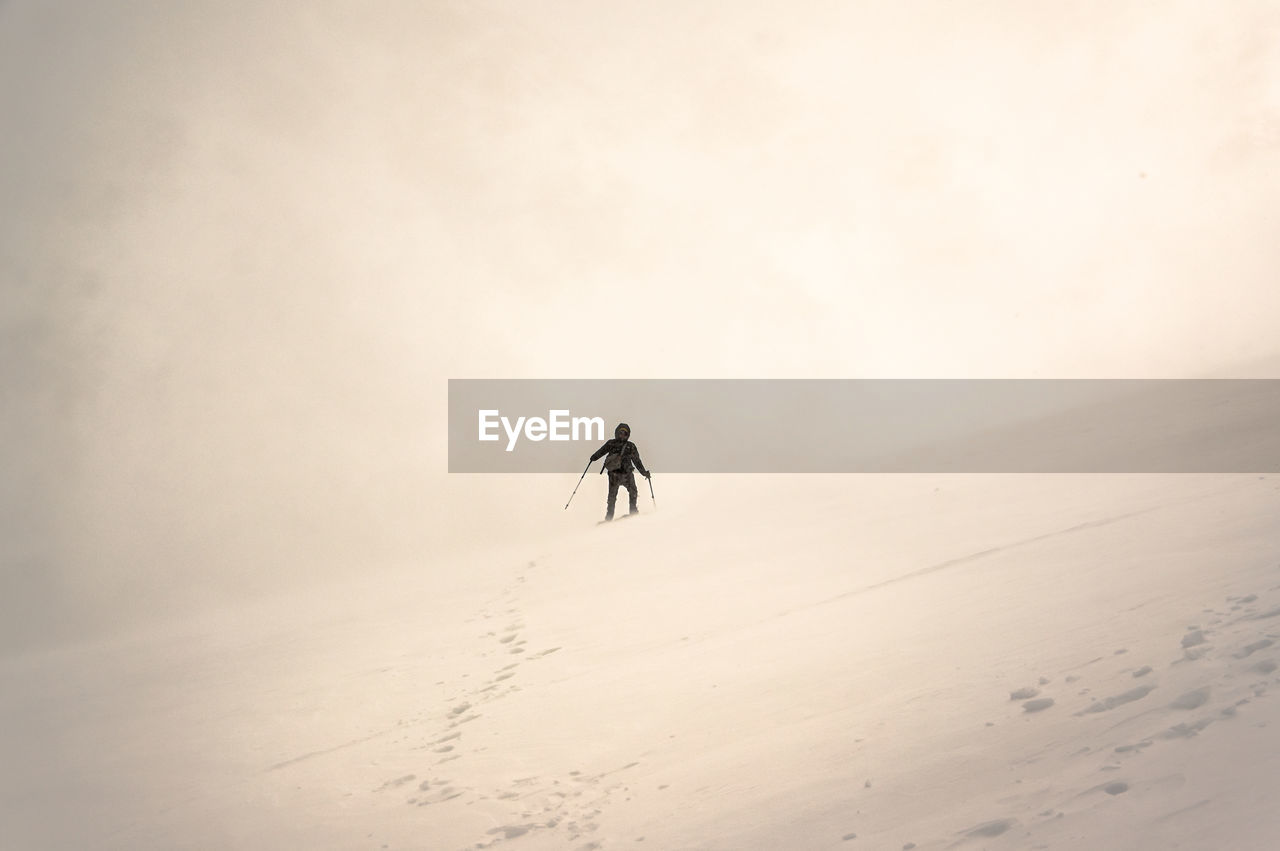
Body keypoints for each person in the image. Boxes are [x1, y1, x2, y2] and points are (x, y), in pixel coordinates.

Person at [589, 422, 650, 521]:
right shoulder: (630, 446)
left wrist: (593, 457)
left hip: (614, 475)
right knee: (632, 492)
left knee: (612, 496)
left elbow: (601, 452)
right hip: (626, 474)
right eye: (620, 432)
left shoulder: (611, 443)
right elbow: (636, 461)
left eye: (624, 433)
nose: (622, 435)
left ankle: (609, 517)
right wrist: (644, 472)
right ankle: (633, 513)